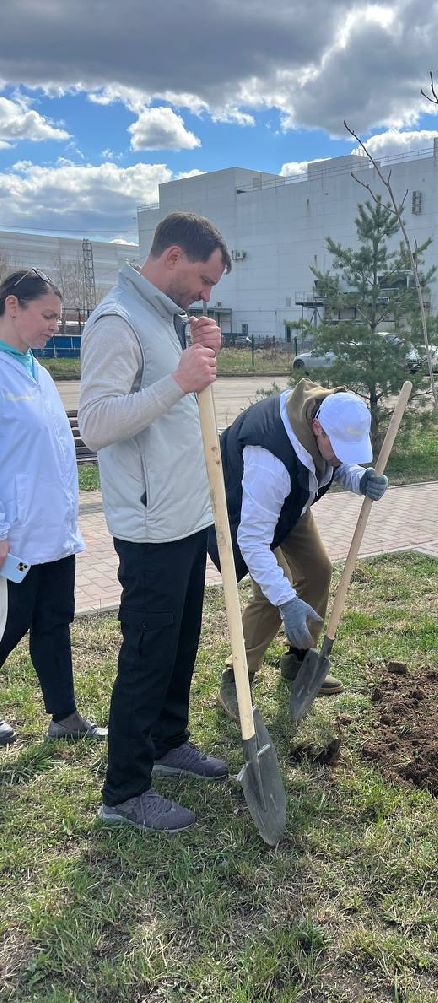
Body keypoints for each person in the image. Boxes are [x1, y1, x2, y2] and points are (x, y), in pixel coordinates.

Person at [79, 212, 231, 833]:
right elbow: (97, 425)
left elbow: (171, 413)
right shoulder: (116, 321)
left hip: (186, 516)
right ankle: (124, 791)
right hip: (149, 527)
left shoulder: (163, 318)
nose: (206, 293)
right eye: (202, 278)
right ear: (171, 257)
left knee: (180, 643)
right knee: (147, 654)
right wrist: (178, 380)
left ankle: (168, 744)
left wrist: (197, 348)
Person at [213, 381, 388, 718]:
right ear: (317, 427)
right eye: (338, 447)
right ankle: (237, 676)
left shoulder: (325, 414)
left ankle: (297, 660)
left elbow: (334, 463)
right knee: (269, 592)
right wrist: (287, 601)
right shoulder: (270, 461)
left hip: (291, 503)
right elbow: (252, 539)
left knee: (318, 571)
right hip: (245, 505)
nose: (340, 456)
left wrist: (359, 479)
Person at [0, 269, 105, 747]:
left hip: (52, 532)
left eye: (58, 319)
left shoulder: (35, 370)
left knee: (54, 623)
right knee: (7, 626)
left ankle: (64, 716)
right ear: (12, 306)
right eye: (47, 316)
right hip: (13, 537)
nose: (54, 327)